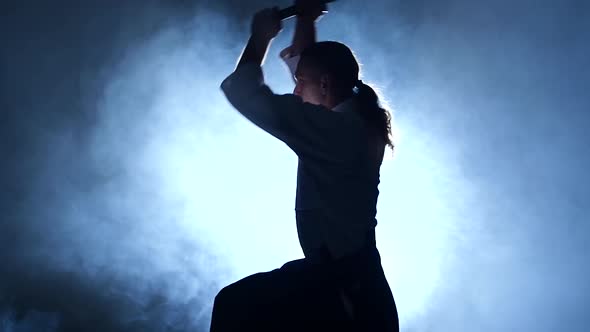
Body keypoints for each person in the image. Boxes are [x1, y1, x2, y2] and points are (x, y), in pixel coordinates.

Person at [210, 1, 398, 331]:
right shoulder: (354, 117)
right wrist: (306, 19)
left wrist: (260, 39)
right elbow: (311, 67)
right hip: (352, 279)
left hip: (344, 295)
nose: (294, 90)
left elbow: (242, 89)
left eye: (299, 81)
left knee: (233, 306)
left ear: (325, 85)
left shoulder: (333, 130)